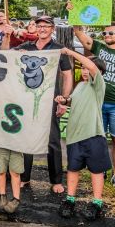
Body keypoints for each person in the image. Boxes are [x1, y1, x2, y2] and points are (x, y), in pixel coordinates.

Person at [71, 18, 115, 188]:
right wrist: (75, 15)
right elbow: (81, 35)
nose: (107, 35)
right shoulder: (99, 47)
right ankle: (100, 170)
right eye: (104, 33)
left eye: (111, 33)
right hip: (96, 103)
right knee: (98, 139)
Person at [14, 15, 73, 194]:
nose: (42, 29)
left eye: (46, 26)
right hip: (27, 100)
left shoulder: (58, 49)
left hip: (51, 100)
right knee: (26, 140)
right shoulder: (26, 47)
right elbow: (7, 55)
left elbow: (68, 75)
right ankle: (24, 178)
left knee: (53, 141)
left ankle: (56, 180)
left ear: (52, 29)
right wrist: (10, 35)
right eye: (39, 26)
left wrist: (64, 99)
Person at [56, 48, 111, 221]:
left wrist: (71, 53)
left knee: (96, 171)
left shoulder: (98, 84)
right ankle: (70, 200)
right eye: (84, 69)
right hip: (74, 136)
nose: (85, 71)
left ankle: (97, 203)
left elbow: (92, 67)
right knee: (72, 169)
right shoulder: (80, 86)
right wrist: (63, 101)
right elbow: (71, 100)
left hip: (93, 135)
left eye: (88, 68)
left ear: (99, 72)